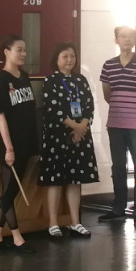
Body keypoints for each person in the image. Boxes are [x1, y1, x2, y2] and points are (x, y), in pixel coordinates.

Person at [98, 25, 136, 221]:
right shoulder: (108, 65)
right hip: (115, 124)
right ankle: (118, 208)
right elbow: (107, 94)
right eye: (123, 36)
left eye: (131, 36)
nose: (127, 39)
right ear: (116, 40)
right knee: (118, 168)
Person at [39, 43, 97, 239]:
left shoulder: (81, 79)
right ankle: (53, 223)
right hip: (57, 137)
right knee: (55, 180)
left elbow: (89, 105)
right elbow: (52, 109)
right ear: (56, 59)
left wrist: (83, 126)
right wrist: (75, 126)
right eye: (65, 56)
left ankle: (75, 222)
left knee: (75, 180)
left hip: (80, 137)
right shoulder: (51, 80)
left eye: (72, 56)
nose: (69, 60)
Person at [0, 35, 39, 252]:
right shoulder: (1, 80)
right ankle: (17, 237)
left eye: (24, 50)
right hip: (10, 143)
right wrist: (9, 148)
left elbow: (29, 111)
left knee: (10, 191)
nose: (23, 54)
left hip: (27, 140)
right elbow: (1, 116)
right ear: (6, 52)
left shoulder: (24, 77)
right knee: (9, 191)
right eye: (19, 50)